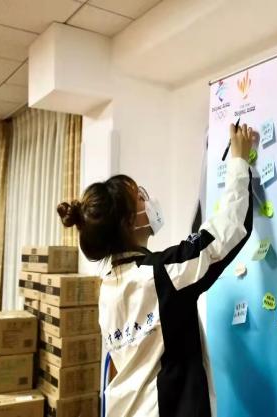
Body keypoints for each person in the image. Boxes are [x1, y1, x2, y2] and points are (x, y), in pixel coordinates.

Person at [57, 123, 255, 417]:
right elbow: (226, 231)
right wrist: (239, 160)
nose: (149, 201)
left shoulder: (108, 287)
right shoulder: (160, 275)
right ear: (128, 221)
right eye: (140, 198)